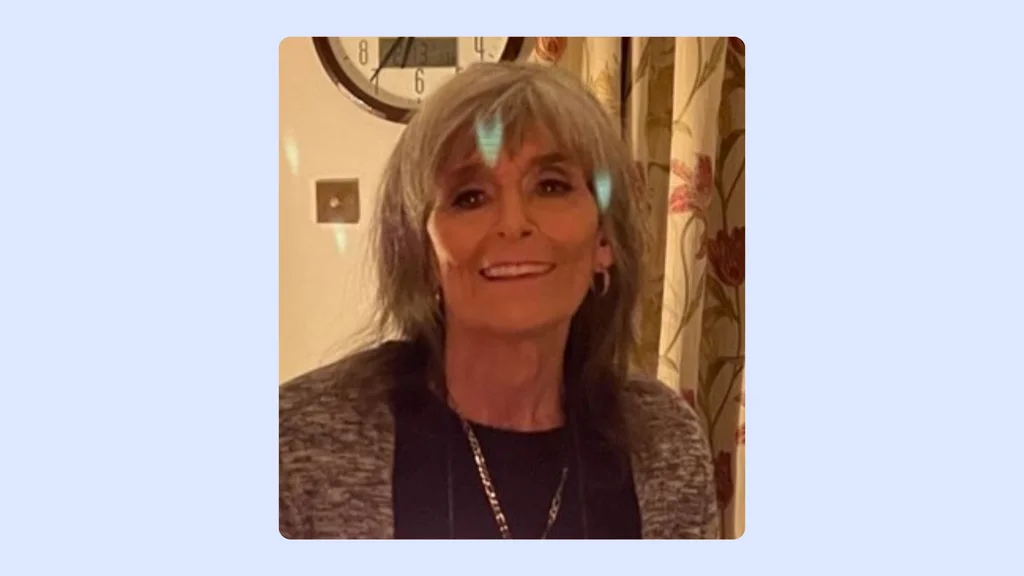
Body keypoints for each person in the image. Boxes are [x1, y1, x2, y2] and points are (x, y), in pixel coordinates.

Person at [279, 61, 719, 539]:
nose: (514, 223)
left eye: (551, 186)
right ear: (421, 252)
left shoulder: (667, 440)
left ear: (604, 240)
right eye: (470, 197)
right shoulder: (294, 446)